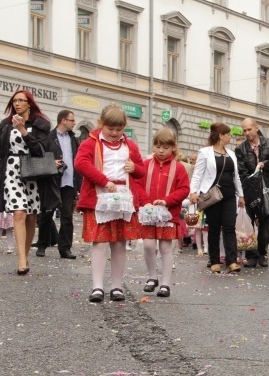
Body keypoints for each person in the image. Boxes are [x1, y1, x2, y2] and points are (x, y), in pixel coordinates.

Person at [75, 104, 146, 302]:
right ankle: (97, 286)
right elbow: (81, 163)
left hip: (123, 197)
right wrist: (103, 181)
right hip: (99, 196)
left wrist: (134, 168)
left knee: (120, 243)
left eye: (119, 129)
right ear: (100, 124)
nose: (114, 133)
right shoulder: (90, 143)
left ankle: (116, 286)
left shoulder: (130, 146)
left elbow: (142, 171)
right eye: (110, 129)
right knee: (100, 242)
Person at [0, 90, 58, 275]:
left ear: (29, 104)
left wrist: (23, 131)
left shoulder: (40, 124)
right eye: (15, 101)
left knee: (31, 217)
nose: (17, 104)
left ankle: (25, 255)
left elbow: (41, 150)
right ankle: (21, 260)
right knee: (19, 213)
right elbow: (2, 148)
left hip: (32, 171)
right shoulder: (5, 124)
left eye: (21, 100)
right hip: (11, 169)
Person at [137, 128, 190, 298]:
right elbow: (137, 184)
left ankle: (165, 283)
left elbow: (184, 189)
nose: (161, 151)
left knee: (166, 247)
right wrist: (145, 201)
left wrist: (167, 200)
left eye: (165, 147)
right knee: (148, 245)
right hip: (149, 212)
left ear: (173, 147)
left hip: (168, 213)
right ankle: (152, 277)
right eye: (158, 146)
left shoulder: (179, 168)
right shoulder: (145, 165)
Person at [189, 123, 245, 274]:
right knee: (214, 228)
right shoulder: (205, 152)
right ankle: (214, 261)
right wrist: (193, 192)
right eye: (228, 134)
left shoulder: (231, 153)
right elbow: (198, 174)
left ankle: (231, 261)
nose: (230, 137)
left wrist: (241, 195)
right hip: (212, 195)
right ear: (221, 135)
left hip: (229, 195)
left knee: (229, 228)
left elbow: (236, 176)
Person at [235, 118, 269, 268]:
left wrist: (265, 164)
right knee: (249, 221)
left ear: (256, 128)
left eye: (249, 129)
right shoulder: (241, 149)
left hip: (266, 189)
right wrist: (243, 192)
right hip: (249, 190)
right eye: (244, 130)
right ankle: (251, 256)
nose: (247, 133)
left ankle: (262, 253)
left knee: (266, 220)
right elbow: (240, 172)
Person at [35, 110, 81, 259]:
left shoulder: (73, 139)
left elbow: (78, 163)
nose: (74, 123)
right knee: (47, 214)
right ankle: (42, 245)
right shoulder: (49, 137)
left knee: (67, 216)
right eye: (72, 120)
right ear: (63, 120)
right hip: (52, 181)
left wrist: (78, 185)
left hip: (68, 182)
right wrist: (51, 163)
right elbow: (40, 157)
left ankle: (65, 248)